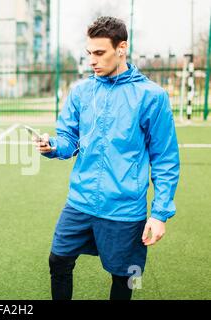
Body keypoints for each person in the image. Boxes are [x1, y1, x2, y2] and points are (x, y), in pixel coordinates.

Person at [34, 16, 180, 300]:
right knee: (58, 260)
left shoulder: (152, 96)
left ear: (121, 48)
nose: (92, 60)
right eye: (89, 53)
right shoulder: (81, 91)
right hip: (81, 201)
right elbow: (69, 139)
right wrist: (52, 145)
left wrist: (160, 213)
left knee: (126, 276)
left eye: (99, 53)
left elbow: (165, 159)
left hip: (124, 209)